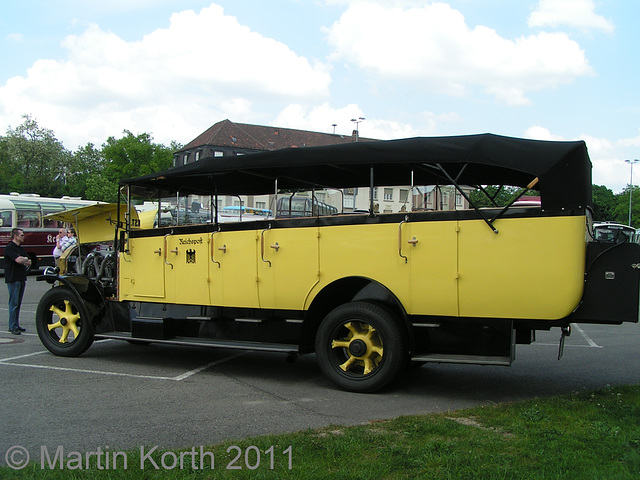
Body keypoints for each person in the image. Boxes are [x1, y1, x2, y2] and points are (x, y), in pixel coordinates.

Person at [4, 228, 31, 335]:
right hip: (13, 278)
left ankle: (16, 324)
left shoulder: (20, 248)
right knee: (13, 303)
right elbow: (18, 260)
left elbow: (29, 261)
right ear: (15, 236)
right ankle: (12, 326)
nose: (23, 237)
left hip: (21, 278)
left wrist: (23, 259)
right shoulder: (10, 248)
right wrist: (23, 259)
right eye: (22, 235)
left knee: (18, 303)